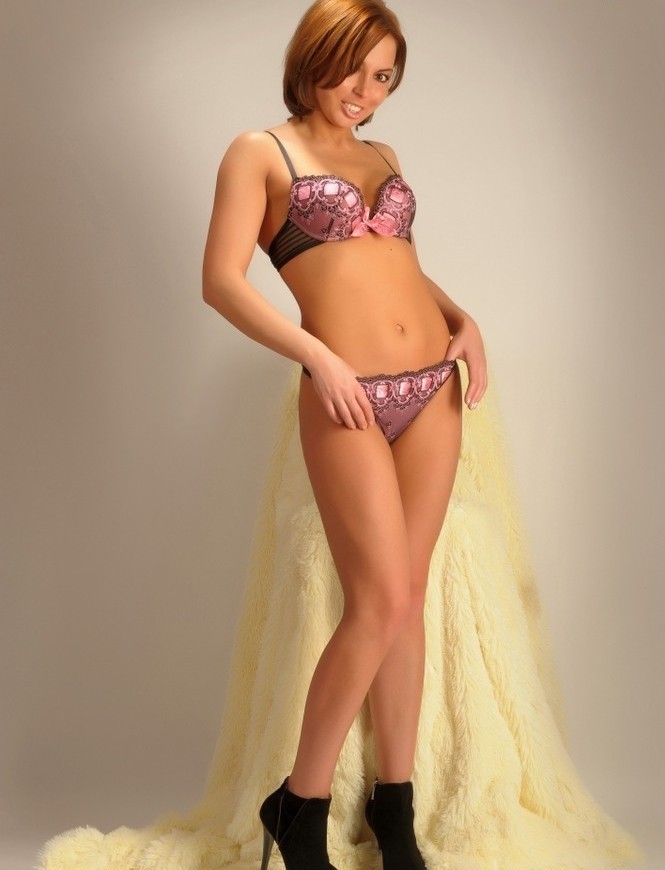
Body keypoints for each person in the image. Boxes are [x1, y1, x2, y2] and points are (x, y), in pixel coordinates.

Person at [202, 1, 487, 867]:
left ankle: (393, 808)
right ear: (313, 56)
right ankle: (300, 803)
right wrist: (316, 355)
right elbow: (221, 280)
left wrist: (461, 318)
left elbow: (396, 266)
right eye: (353, 68)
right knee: (377, 601)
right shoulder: (260, 151)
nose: (365, 91)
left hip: (433, 386)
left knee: (408, 600)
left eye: (384, 76)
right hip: (346, 393)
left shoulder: (382, 157)